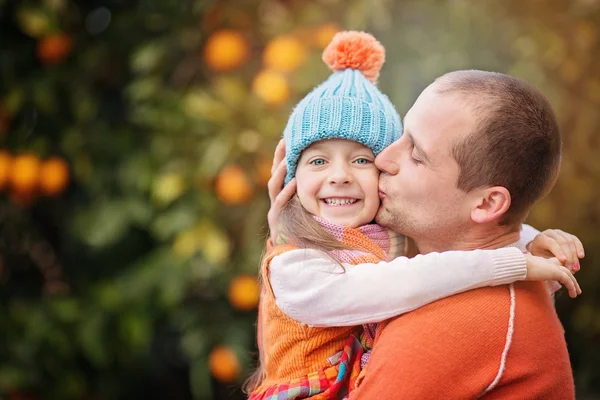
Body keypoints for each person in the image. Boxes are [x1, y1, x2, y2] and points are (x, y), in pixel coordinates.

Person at [250, 32, 582, 400]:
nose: (383, 160)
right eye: (402, 136)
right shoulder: (402, 256)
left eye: (416, 154)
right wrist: (290, 232)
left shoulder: (447, 324)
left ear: (487, 205)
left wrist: (516, 255)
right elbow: (290, 332)